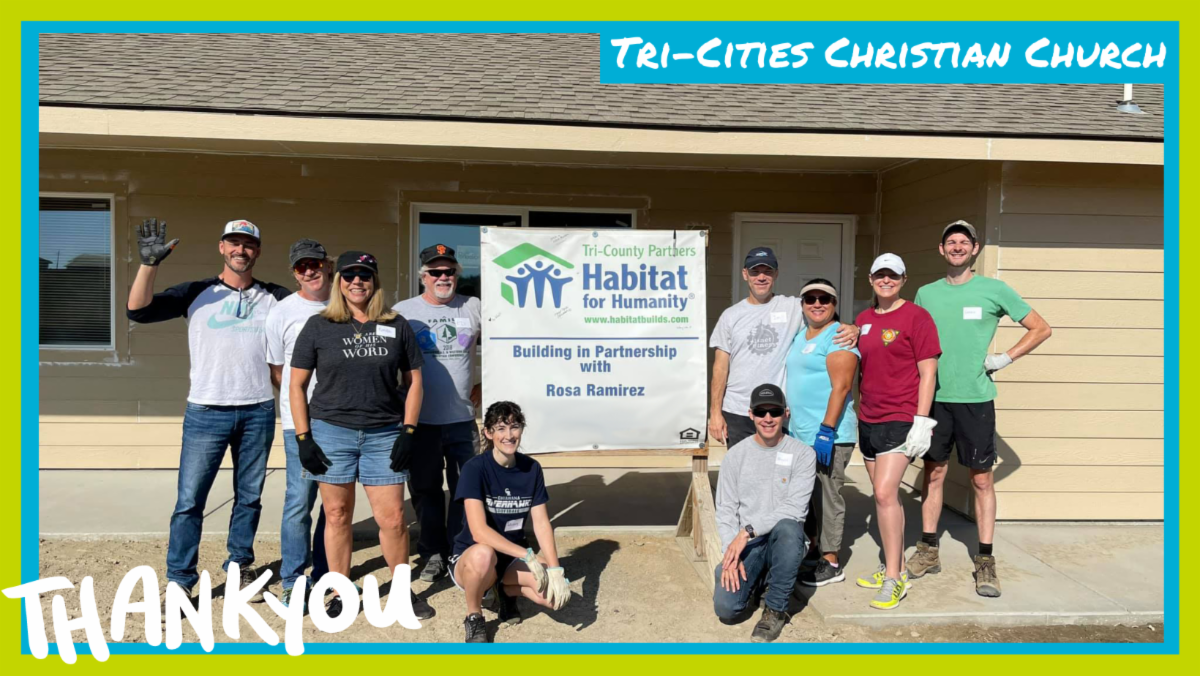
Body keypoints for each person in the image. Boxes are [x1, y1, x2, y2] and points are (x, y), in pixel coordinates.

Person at [126, 218, 289, 614]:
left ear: (257, 251)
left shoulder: (275, 297)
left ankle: (239, 566)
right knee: (189, 501)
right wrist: (149, 264)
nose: (240, 250)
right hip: (206, 411)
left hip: (258, 411)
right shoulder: (196, 292)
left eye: (248, 244)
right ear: (221, 247)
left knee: (249, 498)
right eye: (234, 242)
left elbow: (309, 316)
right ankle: (180, 580)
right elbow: (138, 311)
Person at [908, 221, 1053, 598]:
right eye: (950, 242)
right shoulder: (926, 293)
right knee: (933, 474)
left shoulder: (995, 290)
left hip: (975, 399)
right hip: (935, 399)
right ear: (941, 250)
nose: (957, 247)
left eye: (964, 242)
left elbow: (1040, 328)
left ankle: (985, 559)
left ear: (975, 249)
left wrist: (1005, 357)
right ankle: (928, 550)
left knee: (981, 480)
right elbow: (910, 341)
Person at [288, 250, 433, 619]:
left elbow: (415, 382)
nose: (357, 282)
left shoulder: (396, 325)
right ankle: (340, 591)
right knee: (337, 515)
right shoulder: (319, 326)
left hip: (384, 435)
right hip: (331, 433)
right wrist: (303, 438)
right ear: (339, 282)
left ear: (374, 282)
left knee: (394, 518)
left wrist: (409, 431)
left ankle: (401, 590)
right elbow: (296, 385)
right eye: (350, 275)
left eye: (365, 275)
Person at [852, 253, 941, 610]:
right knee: (882, 497)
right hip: (868, 418)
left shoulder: (917, 317)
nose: (886, 281)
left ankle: (894, 578)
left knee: (885, 493)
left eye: (893, 275)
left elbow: (928, 371)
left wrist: (922, 420)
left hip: (901, 417)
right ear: (871, 279)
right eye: (880, 275)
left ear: (904, 280)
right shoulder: (863, 319)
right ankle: (896, 564)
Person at [709, 247, 859, 450]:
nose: (761, 277)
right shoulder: (730, 316)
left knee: (779, 468)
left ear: (776, 274)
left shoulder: (794, 307)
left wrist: (854, 328)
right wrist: (715, 413)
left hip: (778, 413)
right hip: (738, 410)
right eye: (755, 271)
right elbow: (720, 368)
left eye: (767, 271)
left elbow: (822, 314)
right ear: (745, 274)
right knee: (743, 467)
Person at [393, 244, 482, 583]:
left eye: (449, 272)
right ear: (423, 277)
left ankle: (459, 550)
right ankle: (432, 552)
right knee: (426, 491)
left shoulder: (473, 306)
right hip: (421, 422)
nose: (443, 277)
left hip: (462, 420)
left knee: (466, 490)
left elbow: (504, 346)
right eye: (435, 272)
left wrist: (485, 385)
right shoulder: (403, 311)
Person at [449, 401, 571, 643]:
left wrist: (555, 569)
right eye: (501, 428)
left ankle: (503, 590)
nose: (509, 435)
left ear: (521, 429)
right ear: (488, 433)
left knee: (554, 599)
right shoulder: (475, 468)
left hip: (511, 556)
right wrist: (528, 555)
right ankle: (474, 615)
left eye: (514, 427)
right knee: (483, 555)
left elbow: (541, 523)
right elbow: (479, 531)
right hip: (473, 555)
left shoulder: (532, 468)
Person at [713, 384, 816, 643]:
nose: (767, 418)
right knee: (727, 609)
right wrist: (731, 553)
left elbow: (795, 508)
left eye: (775, 411)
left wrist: (746, 532)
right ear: (750, 414)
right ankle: (762, 579)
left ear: (786, 413)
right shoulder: (735, 455)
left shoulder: (803, 454)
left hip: (783, 539)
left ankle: (775, 609)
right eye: (761, 412)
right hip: (751, 544)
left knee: (789, 527)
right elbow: (725, 509)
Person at [264, 239, 333, 609]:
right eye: (301, 266)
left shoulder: (346, 304)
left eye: (315, 264)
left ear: (327, 265)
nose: (309, 271)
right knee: (298, 500)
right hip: (300, 422)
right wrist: (301, 412)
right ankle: (292, 579)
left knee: (334, 504)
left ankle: (326, 574)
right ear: (294, 273)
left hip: (341, 422)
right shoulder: (282, 312)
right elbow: (279, 371)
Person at [784, 279, 860, 588]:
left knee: (828, 497)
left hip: (830, 435)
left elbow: (841, 387)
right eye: (810, 298)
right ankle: (814, 549)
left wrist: (826, 430)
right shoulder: (800, 334)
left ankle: (831, 561)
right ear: (802, 304)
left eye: (824, 299)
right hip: (800, 433)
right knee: (810, 494)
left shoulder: (839, 336)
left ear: (834, 304)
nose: (817, 304)